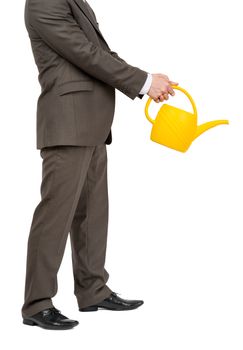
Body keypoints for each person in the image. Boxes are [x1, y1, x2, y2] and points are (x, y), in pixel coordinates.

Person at [22, 0, 178, 330]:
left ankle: (92, 290)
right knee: (55, 215)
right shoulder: (43, 2)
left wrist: (147, 78)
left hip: (92, 121)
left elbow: (100, 52)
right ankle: (37, 303)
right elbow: (85, 54)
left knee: (93, 210)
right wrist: (144, 82)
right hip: (68, 121)